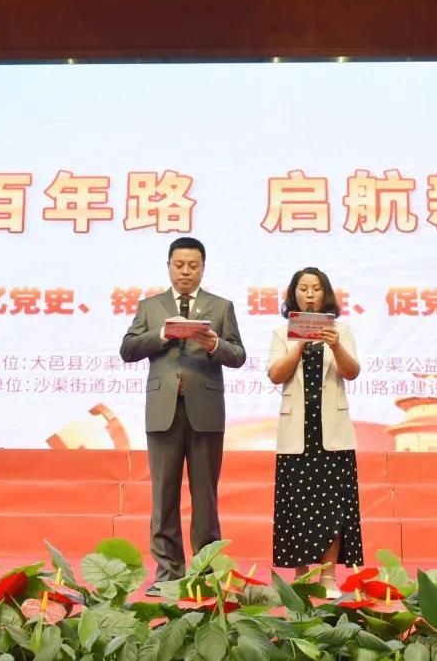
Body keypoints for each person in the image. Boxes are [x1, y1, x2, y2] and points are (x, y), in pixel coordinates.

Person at [120, 237, 246, 595]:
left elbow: (238, 355)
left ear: (203, 268)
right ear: (168, 266)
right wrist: (162, 333)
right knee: (164, 495)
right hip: (163, 411)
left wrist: (214, 344)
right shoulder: (150, 307)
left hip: (205, 411)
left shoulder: (220, 307)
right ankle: (168, 575)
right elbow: (128, 349)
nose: (186, 272)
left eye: (193, 266)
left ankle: (204, 575)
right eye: (179, 265)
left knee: (205, 497)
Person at [267, 267, 363, 599]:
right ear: (293, 294)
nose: (310, 294)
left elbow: (351, 372)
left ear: (326, 295)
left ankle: (328, 577)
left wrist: (335, 347)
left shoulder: (341, 331)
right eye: (304, 288)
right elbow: (275, 375)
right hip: (297, 432)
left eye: (316, 288)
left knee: (333, 507)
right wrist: (298, 344)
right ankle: (302, 576)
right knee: (297, 507)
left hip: (331, 432)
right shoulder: (281, 333)